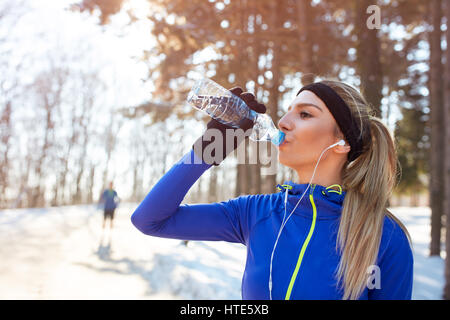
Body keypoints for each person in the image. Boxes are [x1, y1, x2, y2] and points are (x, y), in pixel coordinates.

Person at [131, 81, 413, 300]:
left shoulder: (383, 235)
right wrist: (204, 152)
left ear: (342, 142)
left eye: (304, 114)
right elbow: (150, 220)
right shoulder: (256, 213)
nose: (283, 122)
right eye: (289, 111)